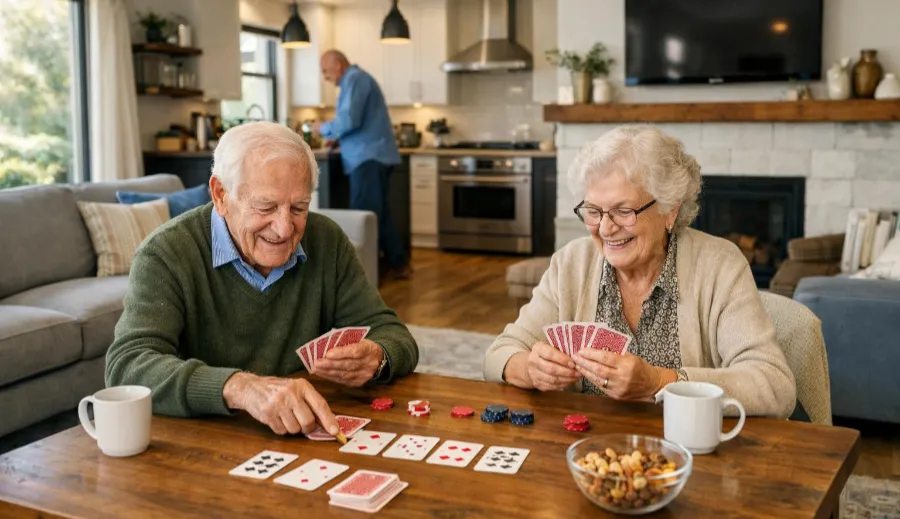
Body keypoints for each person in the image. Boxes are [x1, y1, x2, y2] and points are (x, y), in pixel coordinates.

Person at [106, 121, 419, 436]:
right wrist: (239, 387)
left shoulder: (327, 240)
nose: (284, 229)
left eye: (299, 207)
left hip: (295, 437)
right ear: (220, 195)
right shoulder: (165, 253)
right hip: (202, 442)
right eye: (265, 206)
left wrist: (377, 357)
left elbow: (393, 334)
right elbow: (126, 367)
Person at [483, 125, 797, 418]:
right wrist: (529, 369)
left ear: (669, 209)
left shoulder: (719, 265)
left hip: (688, 454)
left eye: (623, 211)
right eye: (593, 211)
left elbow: (774, 386)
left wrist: (658, 383)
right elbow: (499, 355)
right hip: (589, 453)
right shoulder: (572, 263)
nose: (605, 228)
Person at [312, 49, 410, 280]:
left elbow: (349, 120)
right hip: (374, 155)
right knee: (378, 214)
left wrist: (322, 128)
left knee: (364, 216)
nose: (325, 77)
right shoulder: (358, 79)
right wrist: (337, 138)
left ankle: (365, 274)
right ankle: (397, 263)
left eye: (326, 71)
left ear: (338, 65)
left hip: (368, 158)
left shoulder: (354, 79)